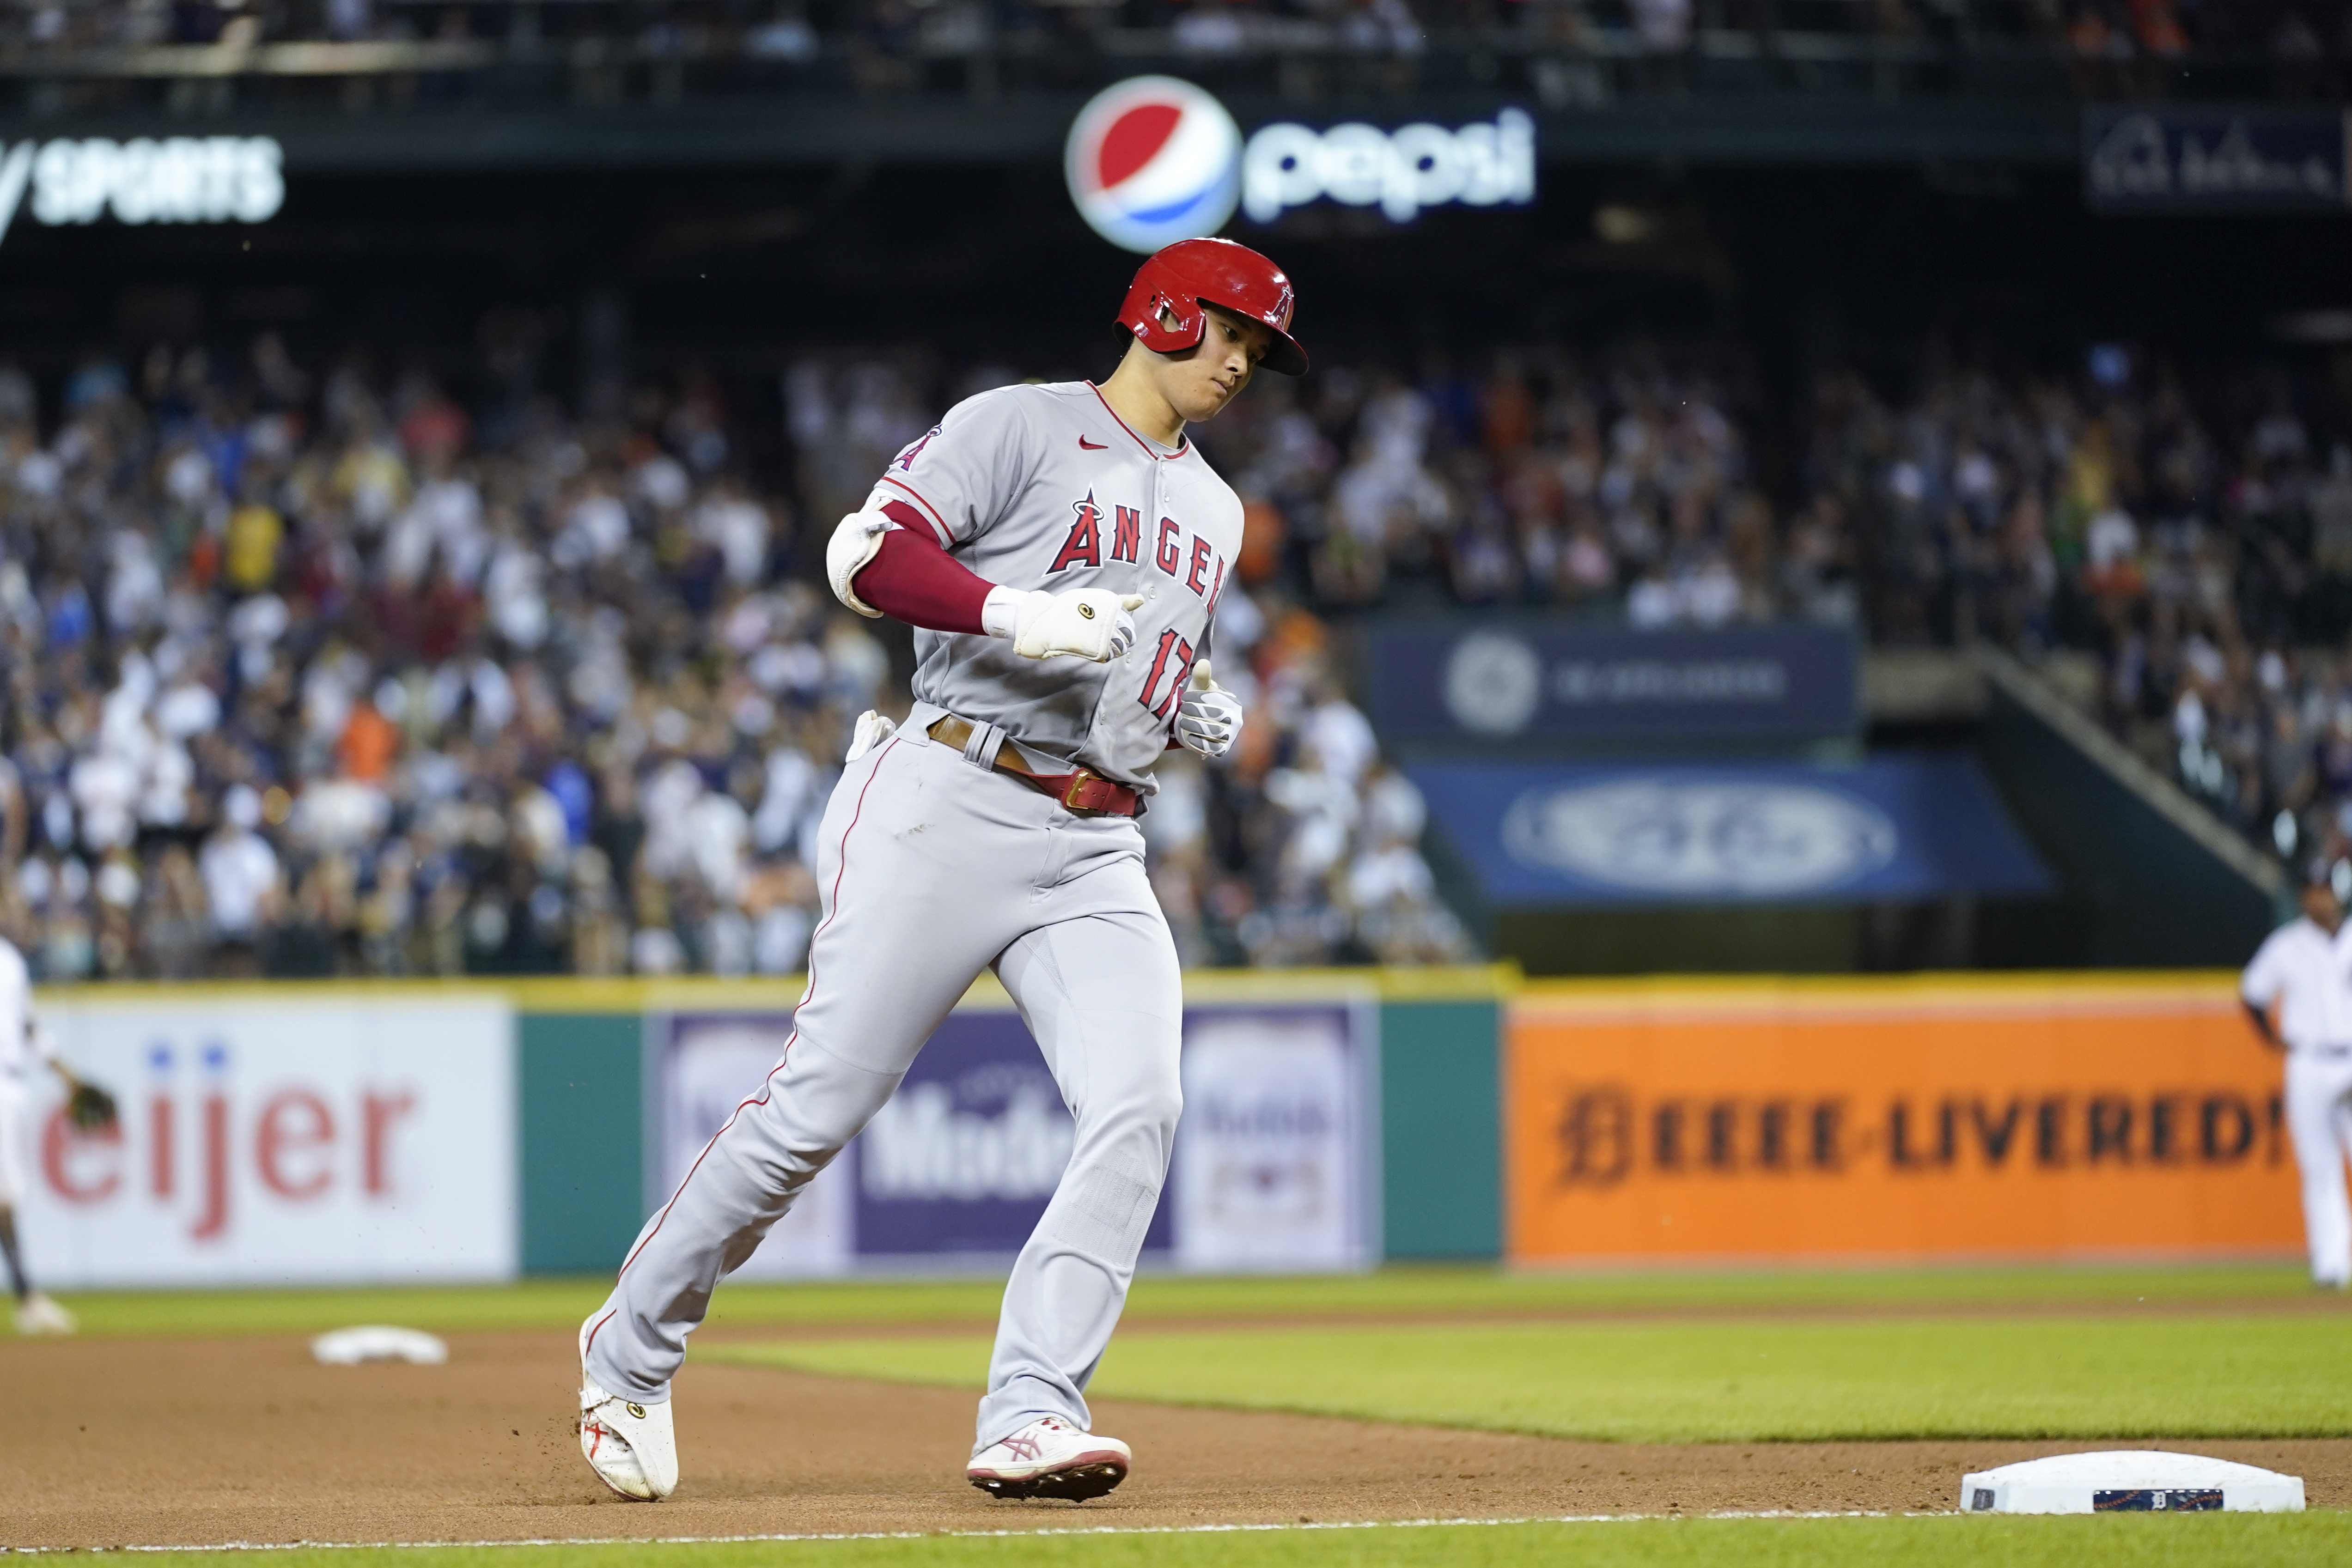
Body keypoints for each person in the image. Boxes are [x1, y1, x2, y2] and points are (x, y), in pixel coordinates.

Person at [576, 238, 1301, 1503]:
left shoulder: (1216, 510)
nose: (1242, 363)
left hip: (1095, 838)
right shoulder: (1021, 425)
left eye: (1259, 350)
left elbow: (1129, 659)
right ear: (1167, 313)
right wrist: (1007, 611)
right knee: (813, 1112)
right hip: (948, 791)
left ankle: (1031, 1408)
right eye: (1231, 333)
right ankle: (625, 1356)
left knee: (1140, 1103)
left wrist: (1184, 700)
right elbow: (864, 556)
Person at [2242, 860, 2352, 1289]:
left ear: (2337, 892)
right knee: (2319, 1167)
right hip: (2307, 1059)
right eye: (2309, 889)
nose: (2315, 897)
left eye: (2322, 888)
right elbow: (2252, 995)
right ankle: (2332, 1264)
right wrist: (2272, 1039)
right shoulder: (2287, 945)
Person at [0, 934, 105, 1334]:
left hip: (9, 1084)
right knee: (5, 1196)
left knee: (6, 1195)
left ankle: (28, 1297)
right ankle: (28, 1299)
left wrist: (69, 1079)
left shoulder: (9, 958)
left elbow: (25, 1026)